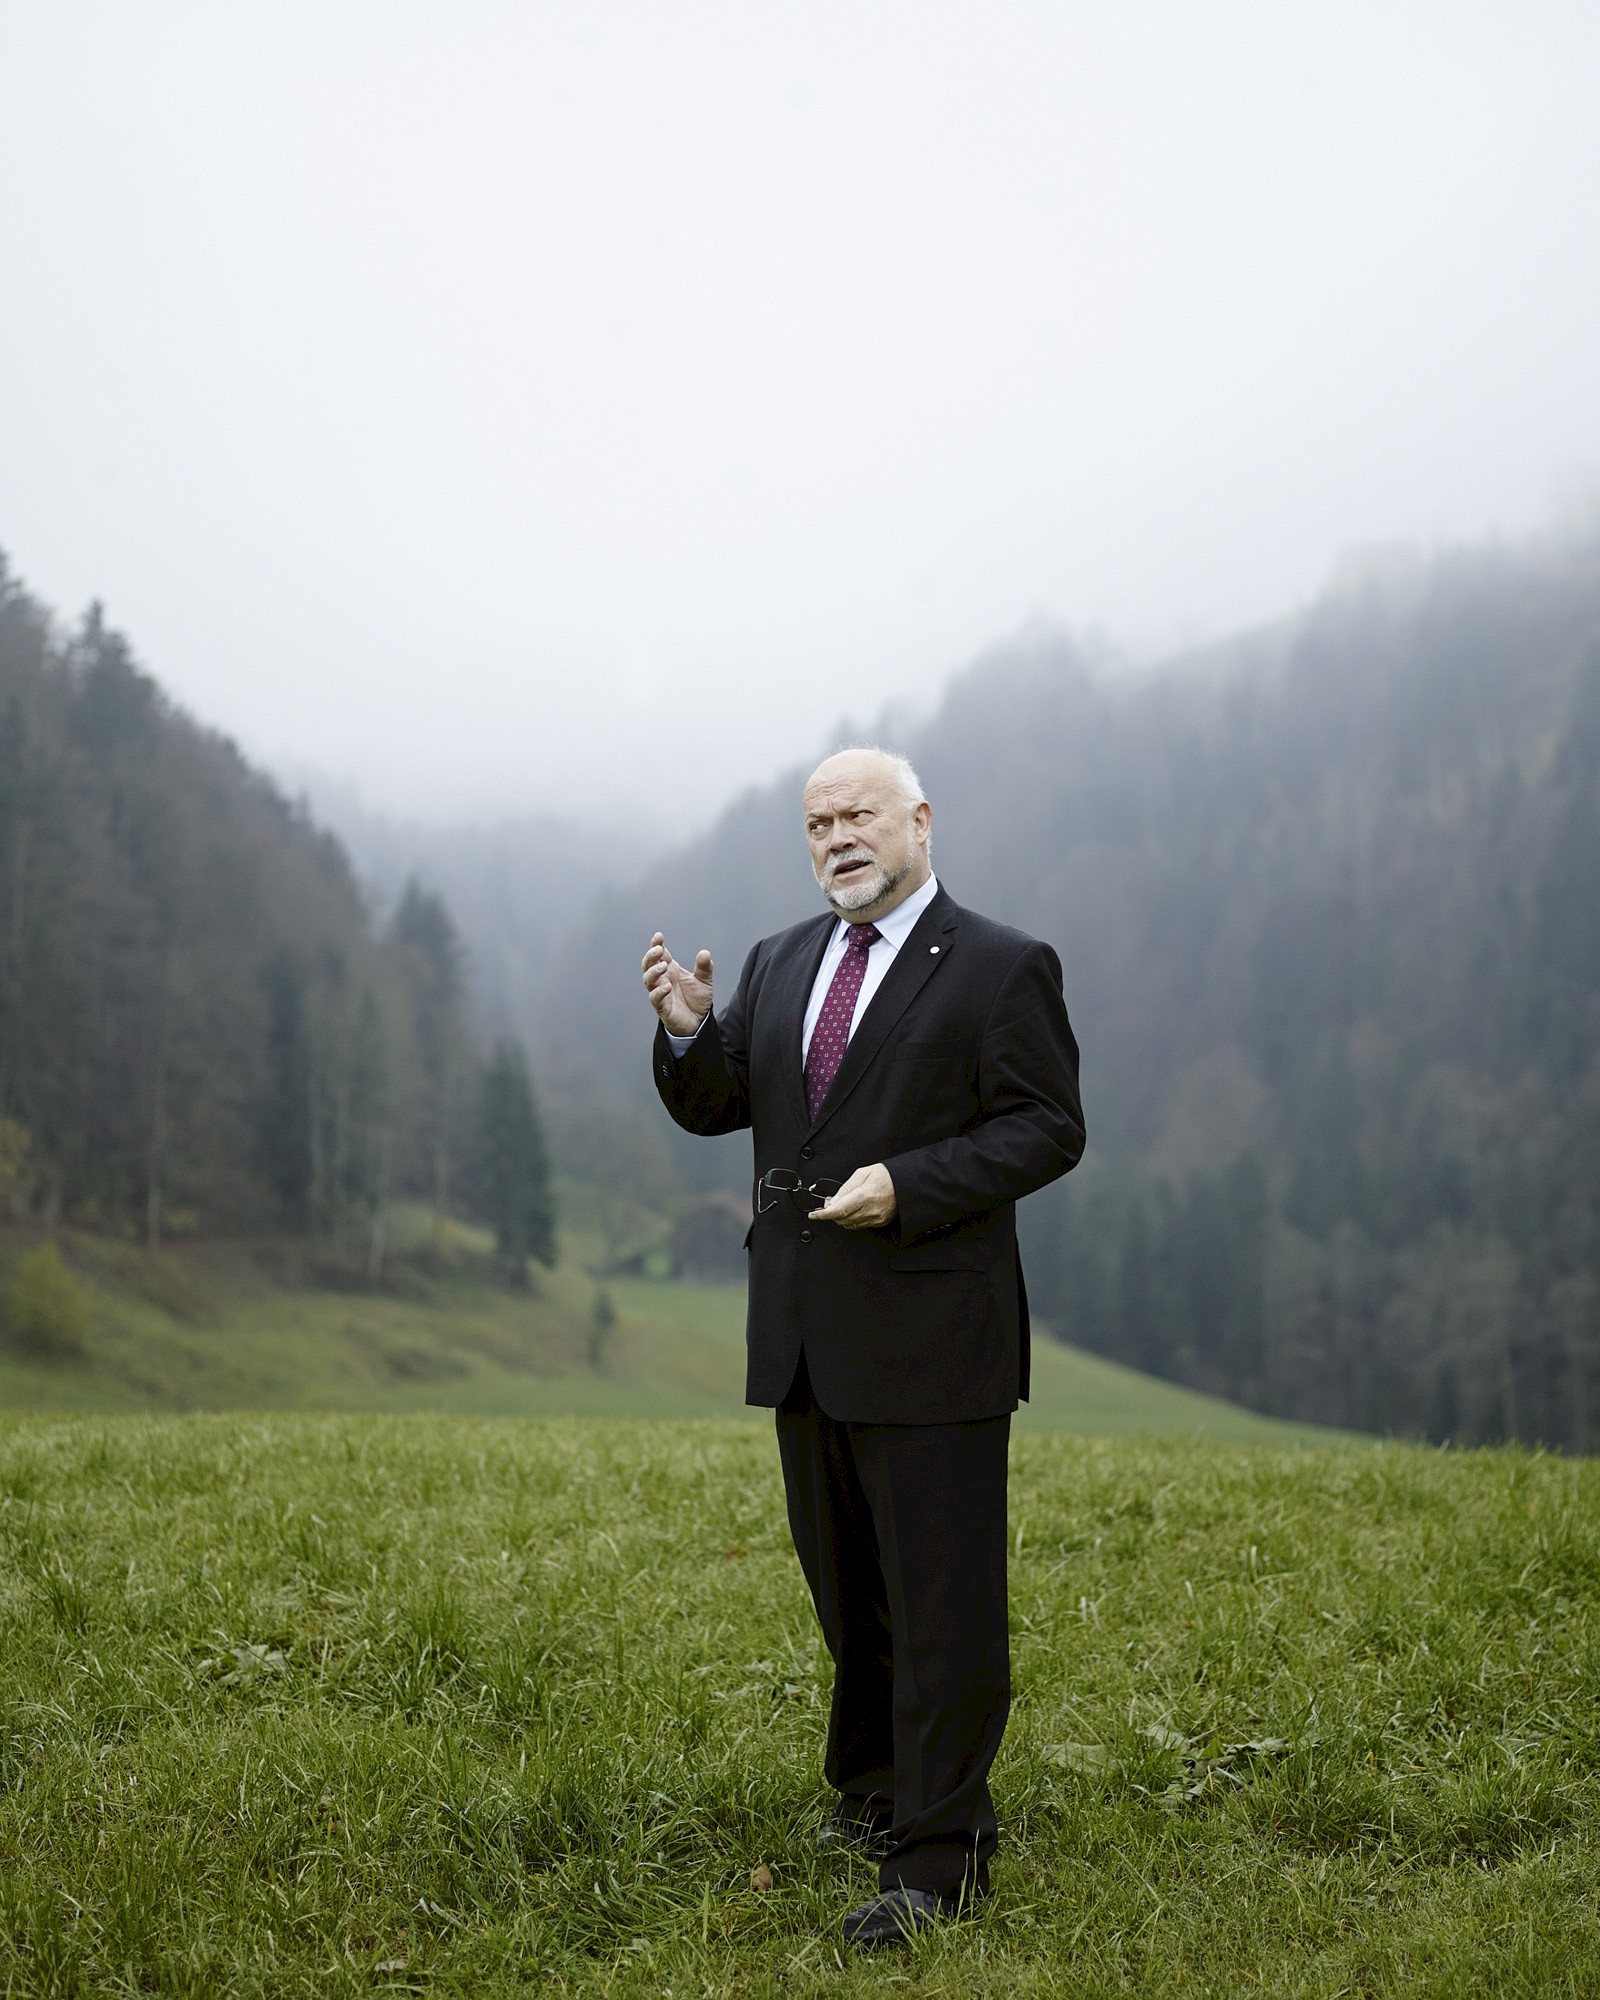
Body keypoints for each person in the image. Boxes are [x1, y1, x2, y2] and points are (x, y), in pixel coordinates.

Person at [642, 746, 1084, 1949]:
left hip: (936, 1336)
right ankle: (876, 1790)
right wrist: (689, 1033)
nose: (837, 835)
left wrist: (911, 1183)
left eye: (859, 814)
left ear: (921, 821)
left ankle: (942, 1857)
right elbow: (722, 1100)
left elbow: (1048, 1127)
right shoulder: (786, 958)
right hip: (803, 1334)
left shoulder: (998, 967)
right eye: (817, 820)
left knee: (942, 1604)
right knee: (850, 1589)